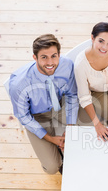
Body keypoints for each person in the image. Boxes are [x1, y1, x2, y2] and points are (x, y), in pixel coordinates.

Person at [9, 34, 80, 174]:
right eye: (44, 57)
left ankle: (66, 147)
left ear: (59, 54)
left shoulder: (67, 65)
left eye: (54, 56)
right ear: (34, 57)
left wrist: (70, 128)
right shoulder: (19, 84)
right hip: (37, 117)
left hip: (61, 106)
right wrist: (51, 139)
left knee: (82, 142)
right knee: (52, 168)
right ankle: (57, 154)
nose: (50, 62)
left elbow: (72, 95)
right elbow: (24, 117)